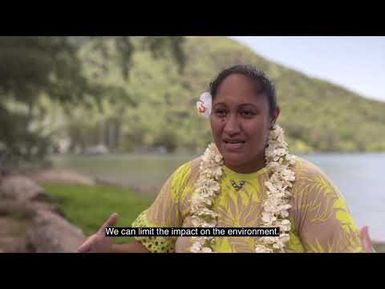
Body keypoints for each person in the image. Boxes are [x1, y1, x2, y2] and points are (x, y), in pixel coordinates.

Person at [78, 65, 374, 253]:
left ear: (272, 117)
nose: (231, 127)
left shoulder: (308, 185)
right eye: (221, 112)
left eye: (246, 113)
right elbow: (148, 247)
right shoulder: (187, 177)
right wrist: (109, 250)